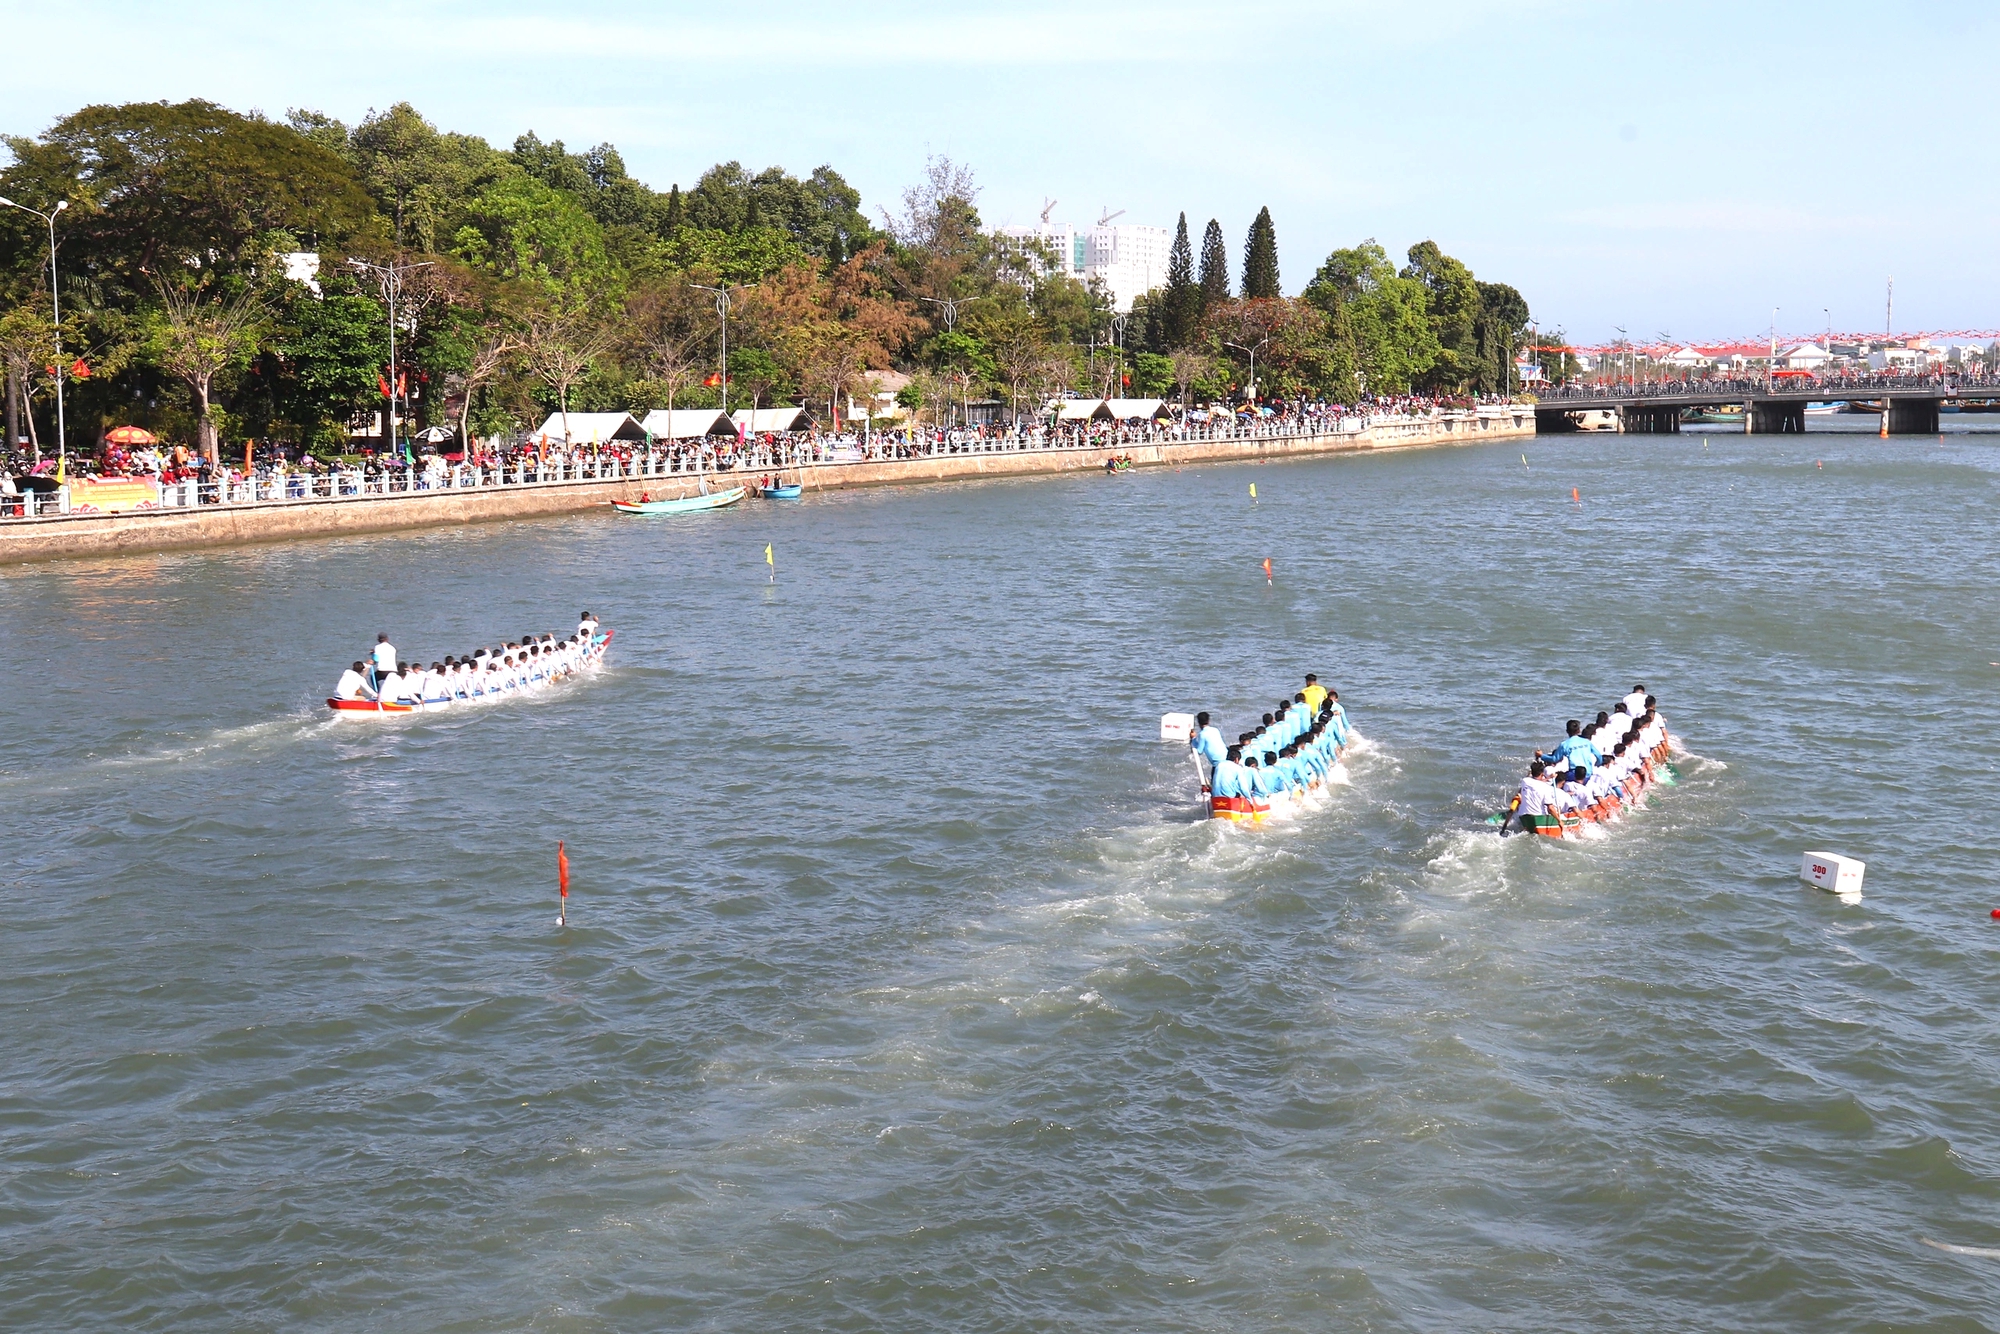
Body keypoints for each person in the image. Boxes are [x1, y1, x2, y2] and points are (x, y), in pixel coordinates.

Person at [1190, 711, 1226, 780]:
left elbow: (1199, 751)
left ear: (1198, 722)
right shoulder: (1215, 730)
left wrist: (1193, 738)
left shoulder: (1202, 734)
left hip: (1217, 763)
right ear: (1208, 721)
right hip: (1226, 758)